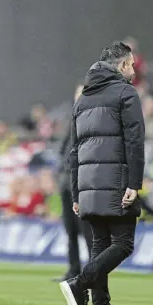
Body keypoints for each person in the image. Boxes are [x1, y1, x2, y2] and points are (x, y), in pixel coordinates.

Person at [60, 42, 145, 305]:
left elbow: (75, 151)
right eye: (131, 64)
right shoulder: (126, 93)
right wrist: (134, 182)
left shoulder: (82, 99)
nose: (133, 70)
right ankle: (79, 283)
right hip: (117, 182)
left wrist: (76, 192)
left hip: (87, 184)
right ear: (121, 65)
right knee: (124, 243)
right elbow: (134, 142)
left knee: (99, 244)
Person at [52, 85, 92, 282]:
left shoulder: (93, 119)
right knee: (70, 228)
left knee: (86, 227)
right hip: (67, 180)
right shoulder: (73, 118)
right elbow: (64, 148)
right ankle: (73, 269)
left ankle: (93, 269)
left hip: (82, 180)